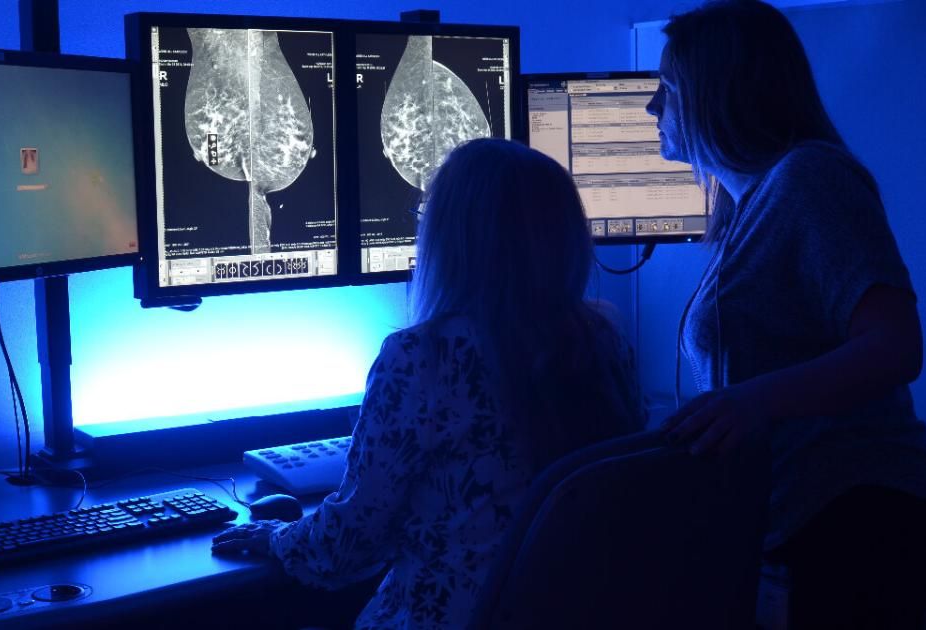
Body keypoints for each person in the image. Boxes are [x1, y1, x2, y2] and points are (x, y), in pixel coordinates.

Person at [212, 138, 644, 629]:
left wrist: (275, 537)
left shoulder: (423, 357)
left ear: (450, 238)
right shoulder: (602, 339)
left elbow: (344, 549)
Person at [651, 2, 926, 628]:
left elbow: (897, 345)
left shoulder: (810, 179)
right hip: (811, 516)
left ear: (717, 95)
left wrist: (752, 402)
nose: (652, 107)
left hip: (864, 515)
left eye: (668, 88)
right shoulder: (752, 205)